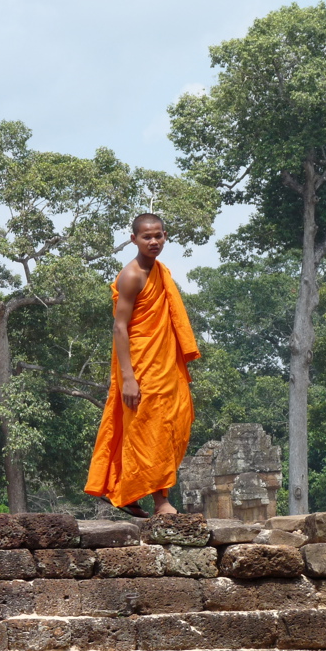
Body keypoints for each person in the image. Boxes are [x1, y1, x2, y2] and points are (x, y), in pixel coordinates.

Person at [85, 213, 200, 517]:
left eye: (158, 235)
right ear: (133, 239)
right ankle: (161, 501)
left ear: (165, 237)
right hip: (140, 363)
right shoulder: (132, 275)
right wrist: (128, 377)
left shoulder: (161, 272)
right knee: (148, 428)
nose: (153, 241)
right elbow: (120, 327)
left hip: (164, 363)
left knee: (174, 421)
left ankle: (124, 489)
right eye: (147, 237)